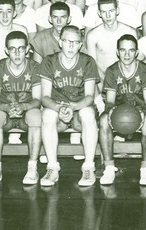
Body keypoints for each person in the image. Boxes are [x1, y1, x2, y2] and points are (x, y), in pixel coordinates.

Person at [38, 25, 100, 186]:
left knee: (88, 113)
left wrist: (73, 107)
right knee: (47, 114)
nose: (71, 46)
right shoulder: (49, 61)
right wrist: (59, 108)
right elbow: (44, 97)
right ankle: (52, 168)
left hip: (79, 109)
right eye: (67, 41)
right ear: (60, 42)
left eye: (75, 42)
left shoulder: (87, 61)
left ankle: (88, 167)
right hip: (58, 111)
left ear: (81, 44)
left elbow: (89, 96)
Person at [98, 35, 146, 185]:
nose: (127, 54)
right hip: (119, 111)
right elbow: (109, 101)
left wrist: (143, 113)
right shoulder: (111, 70)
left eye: (131, 51)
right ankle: (109, 167)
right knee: (104, 119)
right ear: (117, 52)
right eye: (123, 50)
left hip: (140, 109)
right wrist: (111, 111)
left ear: (137, 53)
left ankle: (145, 169)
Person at [0, 31, 42, 186]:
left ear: (28, 49)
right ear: (6, 50)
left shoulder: (35, 67)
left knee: (36, 116)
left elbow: (37, 100)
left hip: (27, 112)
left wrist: (23, 106)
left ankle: (32, 167)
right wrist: (6, 107)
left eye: (21, 49)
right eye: (12, 49)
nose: (17, 53)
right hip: (6, 112)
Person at [85, 0, 138, 79]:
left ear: (117, 11)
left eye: (111, 11)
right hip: (103, 78)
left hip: (126, 78)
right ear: (99, 13)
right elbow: (93, 65)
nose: (108, 16)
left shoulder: (130, 32)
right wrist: (106, 84)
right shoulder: (93, 35)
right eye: (103, 12)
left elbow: (135, 60)